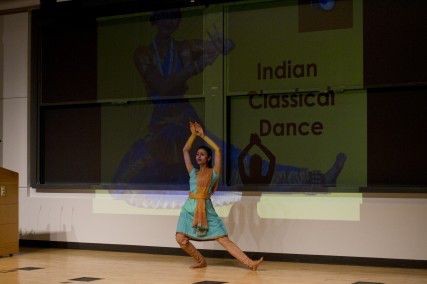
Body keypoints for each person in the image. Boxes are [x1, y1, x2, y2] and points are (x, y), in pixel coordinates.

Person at [175, 122, 263, 270]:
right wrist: (193, 135)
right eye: (197, 154)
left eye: (202, 154)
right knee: (180, 239)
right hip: (189, 209)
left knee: (223, 239)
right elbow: (185, 150)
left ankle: (250, 263)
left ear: (208, 158)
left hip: (206, 210)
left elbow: (218, 150)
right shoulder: (193, 172)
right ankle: (201, 261)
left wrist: (203, 136)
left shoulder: (213, 173)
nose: (198, 156)